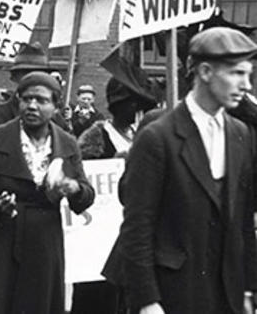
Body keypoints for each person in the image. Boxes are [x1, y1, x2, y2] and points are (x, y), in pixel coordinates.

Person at [106, 27, 257, 314]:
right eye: (236, 74)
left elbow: (243, 223)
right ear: (205, 72)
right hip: (173, 293)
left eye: (248, 74)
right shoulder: (158, 137)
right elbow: (137, 228)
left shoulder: (240, 134)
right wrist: (147, 301)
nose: (246, 84)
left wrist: (250, 287)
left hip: (227, 293)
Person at [0, 71, 94, 314]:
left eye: (42, 100)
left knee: (38, 304)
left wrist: (74, 188)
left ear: (56, 106)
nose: (32, 106)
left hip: (45, 240)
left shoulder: (67, 143)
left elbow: (86, 197)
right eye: (26, 99)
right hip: (3, 236)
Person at [70, 70, 157, 314]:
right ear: (118, 106)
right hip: (97, 236)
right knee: (97, 297)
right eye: (132, 105)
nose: (136, 111)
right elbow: (84, 178)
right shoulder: (95, 140)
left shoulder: (140, 136)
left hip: (126, 232)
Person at [0, 43, 69, 169]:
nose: (33, 81)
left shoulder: (56, 121)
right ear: (14, 78)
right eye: (26, 75)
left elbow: (70, 167)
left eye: (38, 75)